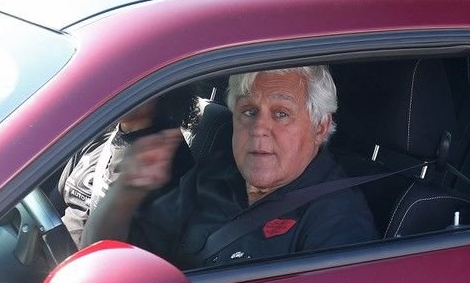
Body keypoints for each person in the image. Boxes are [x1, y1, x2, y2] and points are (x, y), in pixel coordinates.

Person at [82, 65, 378, 270]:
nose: (259, 128)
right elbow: (112, 258)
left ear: (319, 126)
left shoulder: (339, 222)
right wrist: (126, 191)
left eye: (281, 114)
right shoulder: (214, 175)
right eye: (249, 111)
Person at [58, 83, 202, 247]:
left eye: (136, 82)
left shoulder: (165, 161)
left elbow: (117, 253)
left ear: (164, 91)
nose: (120, 87)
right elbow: (56, 200)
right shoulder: (97, 134)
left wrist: (126, 191)